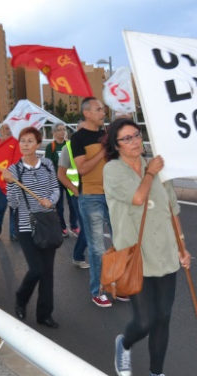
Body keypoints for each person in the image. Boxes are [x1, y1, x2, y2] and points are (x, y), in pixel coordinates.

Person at [102, 119, 191, 376]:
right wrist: (150, 172)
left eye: (136, 135)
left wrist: (182, 247)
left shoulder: (158, 168)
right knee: (145, 320)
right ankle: (124, 343)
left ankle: (156, 372)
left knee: (163, 317)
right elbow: (138, 198)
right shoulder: (113, 170)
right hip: (135, 256)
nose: (134, 141)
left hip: (165, 251)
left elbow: (173, 209)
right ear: (116, 145)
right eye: (126, 138)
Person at [3, 127, 60, 329]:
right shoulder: (14, 170)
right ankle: (21, 298)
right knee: (36, 269)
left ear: (38, 144)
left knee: (48, 272)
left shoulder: (47, 164)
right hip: (27, 226)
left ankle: (44, 314)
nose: (25, 145)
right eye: (22, 141)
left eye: (29, 141)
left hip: (47, 223)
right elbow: (14, 203)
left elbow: (55, 188)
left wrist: (50, 200)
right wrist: (10, 184)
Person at [71, 97, 113, 307]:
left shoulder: (106, 134)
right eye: (98, 109)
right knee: (97, 248)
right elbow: (82, 169)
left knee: (121, 243)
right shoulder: (77, 138)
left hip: (113, 195)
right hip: (91, 197)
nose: (103, 112)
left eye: (103, 109)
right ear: (87, 113)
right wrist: (103, 152)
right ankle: (98, 290)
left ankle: (119, 285)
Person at [57, 136, 88, 268]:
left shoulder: (95, 145)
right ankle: (78, 255)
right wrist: (75, 191)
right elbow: (61, 173)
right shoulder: (67, 148)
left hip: (95, 192)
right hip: (77, 193)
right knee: (88, 227)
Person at [45, 123, 78, 236]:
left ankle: (74, 225)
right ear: (54, 133)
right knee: (59, 206)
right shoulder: (51, 147)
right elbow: (48, 164)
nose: (62, 132)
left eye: (64, 129)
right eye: (59, 130)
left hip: (69, 179)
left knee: (73, 204)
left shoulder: (69, 144)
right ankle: (62, 227)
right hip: (57, 180)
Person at [0, 123, 18, 240]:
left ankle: (13, 233)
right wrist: (3, 143)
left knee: (14, 207)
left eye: (10, 128)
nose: (9, 130)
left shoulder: (16, 142)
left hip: (13, 180)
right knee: (1, 207)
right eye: (6, 128)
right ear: (1, 130)